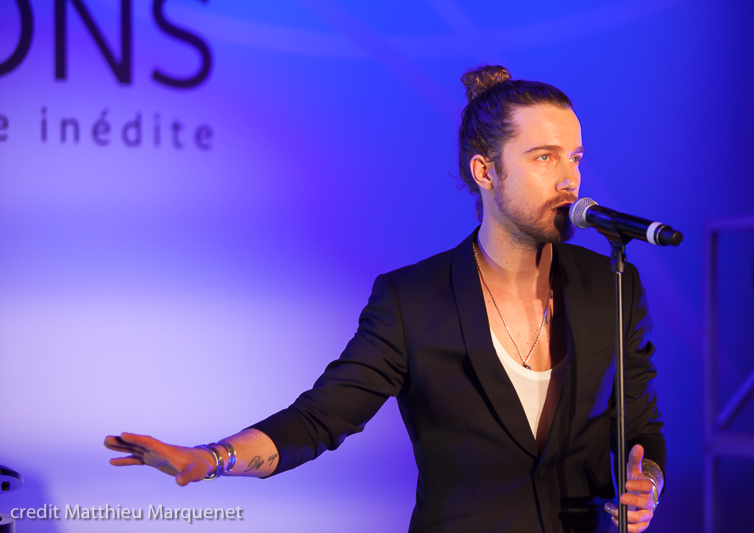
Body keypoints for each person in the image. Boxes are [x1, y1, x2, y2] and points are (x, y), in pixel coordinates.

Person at [105, 65, 665, 532]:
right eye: (545, 157)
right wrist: (213, 459)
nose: (570, 178)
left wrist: (649, 484)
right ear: (485, 171)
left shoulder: (610, 285)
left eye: (575, 157)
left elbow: (641, 427)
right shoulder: (412, 299)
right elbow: (321, 419)